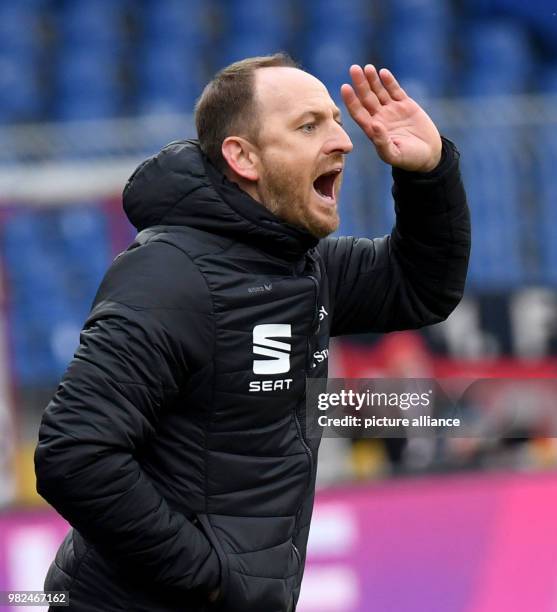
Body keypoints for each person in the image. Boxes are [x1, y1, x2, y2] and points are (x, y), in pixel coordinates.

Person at [35, 54, 470, 612]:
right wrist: (208, 578)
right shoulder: (170, 277)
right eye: (309, 125)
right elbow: (74, 451)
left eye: (336, 120)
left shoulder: (304, 269)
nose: (342, 140)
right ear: (242, 157)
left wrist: (427, 173)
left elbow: (421, 286)